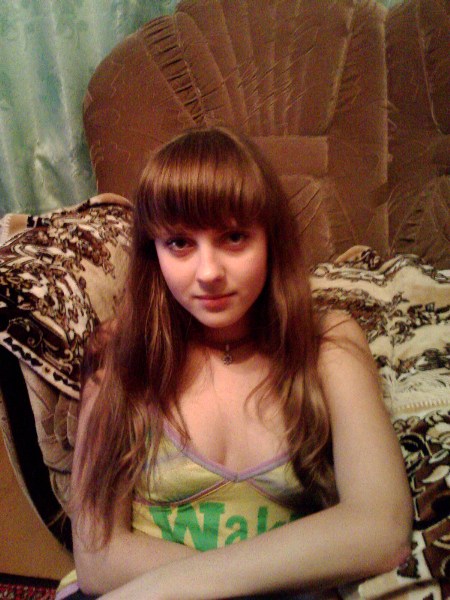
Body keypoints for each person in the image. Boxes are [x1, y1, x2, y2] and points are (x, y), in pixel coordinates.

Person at [56, 126, 412, 600]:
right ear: (152, 252)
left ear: (271, 239)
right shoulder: (120, 352)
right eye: (179, 243)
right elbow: (97, 559)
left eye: (235, 237)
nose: (208, 273)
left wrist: (201, 587)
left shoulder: (327, 343)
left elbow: (381, 527)